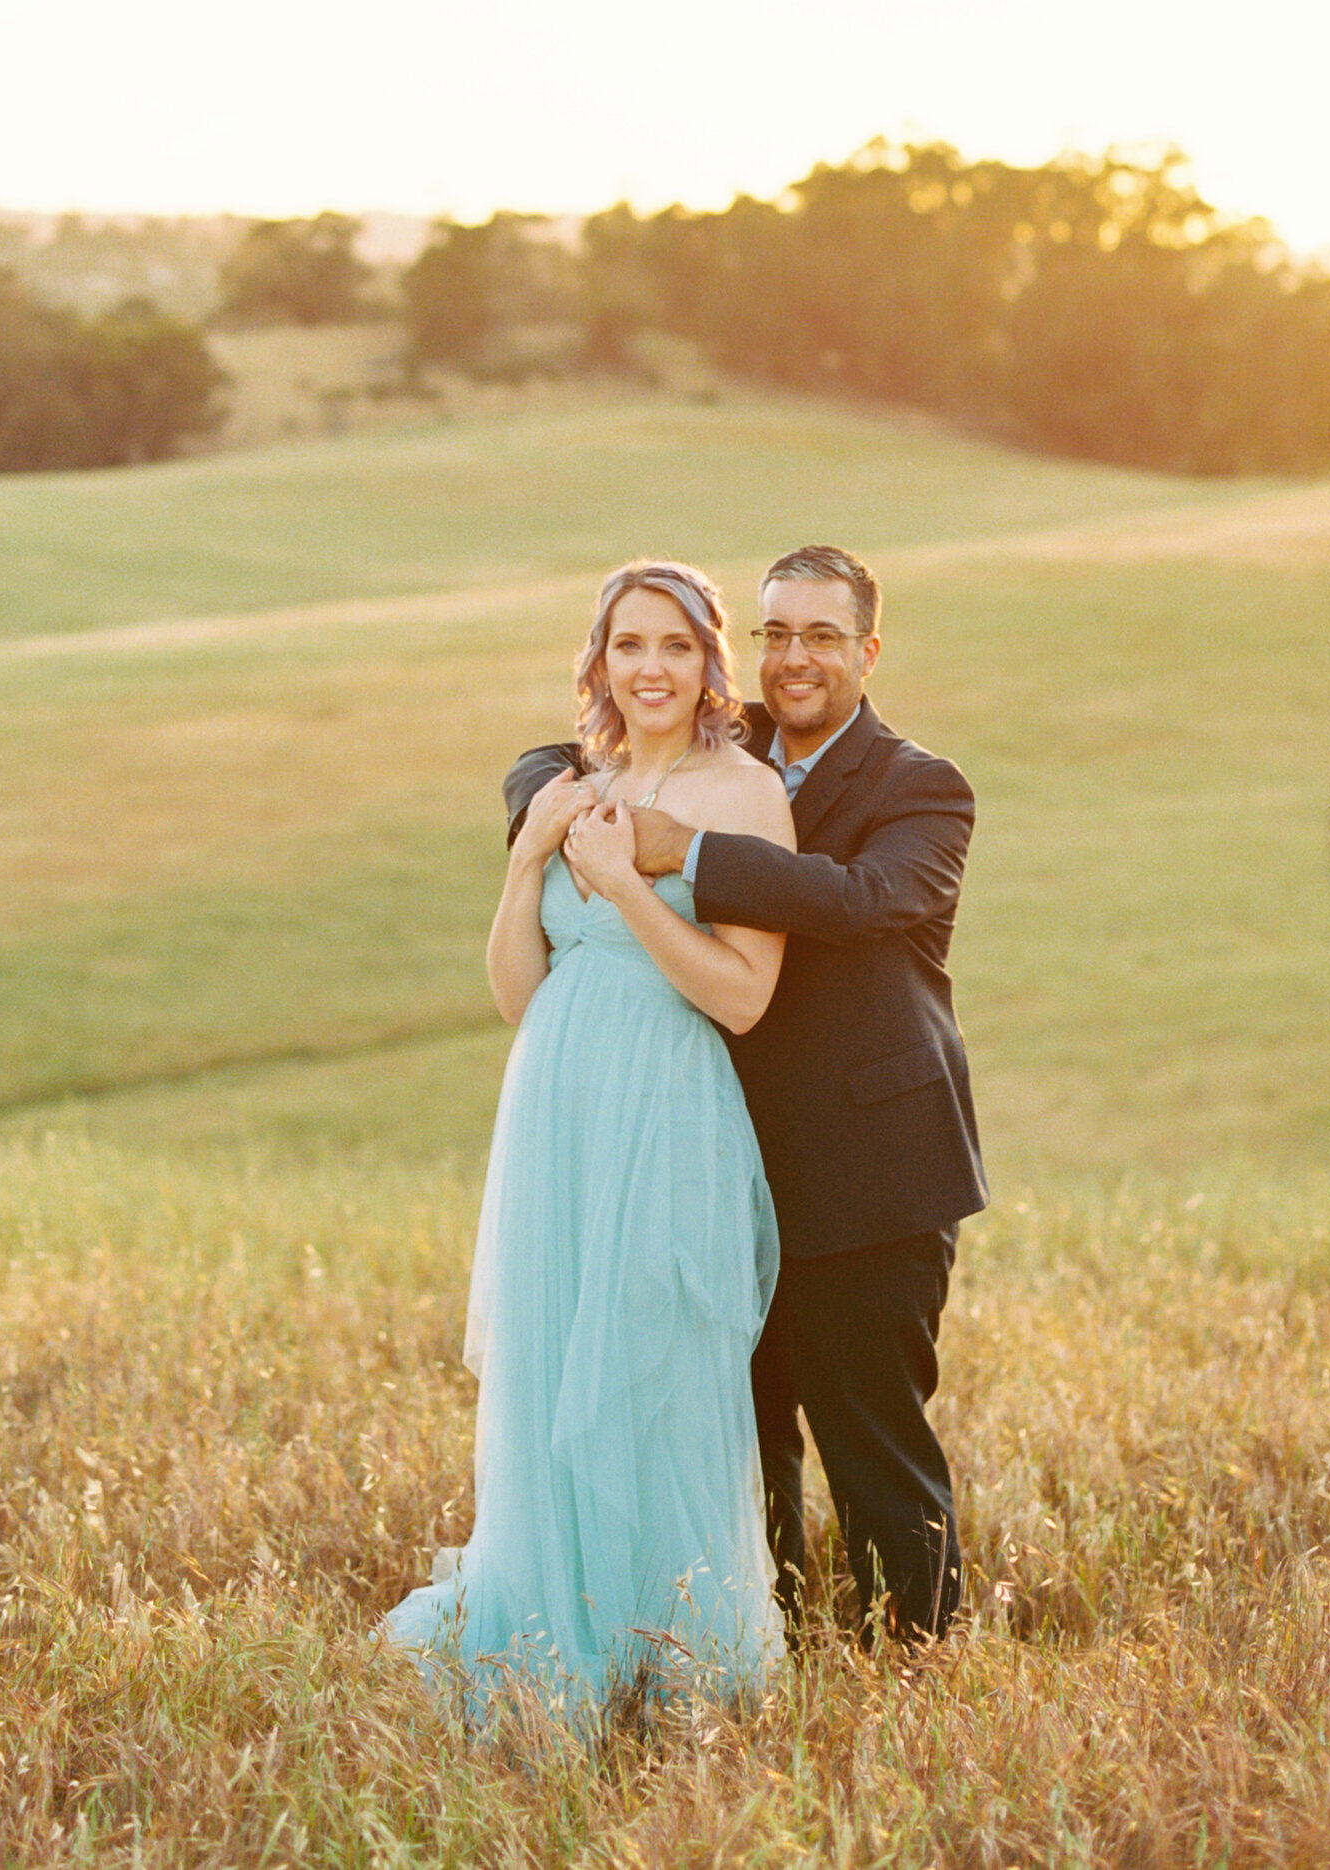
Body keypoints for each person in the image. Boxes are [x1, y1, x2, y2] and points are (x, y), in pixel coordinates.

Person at [504, 542, 984, 1646]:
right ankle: (745, 1648)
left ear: (867, 650)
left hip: (871, 1179)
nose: (795, 656)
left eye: (822, 635)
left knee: (873, 1442)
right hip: (718, 1166)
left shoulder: (922, 786)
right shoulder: (731, 747)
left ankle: (911, 1669)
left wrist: (689, 852)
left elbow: (867, 898)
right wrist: (558, 806)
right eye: (775, 632)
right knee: (729, 1434)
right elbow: (550, 755)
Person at [386, 559, 797, 1723]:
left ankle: (666, 1653)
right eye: (628, 646)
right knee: (550, 1357)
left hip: (664, 1105)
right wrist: (529, 864)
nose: (650, 668)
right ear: (599, 661)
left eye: (673, 645)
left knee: (655, 1365)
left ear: (710, 661)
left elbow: (741, 995)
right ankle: (549, 1633)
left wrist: (622, 886)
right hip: (554, 1102)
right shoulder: (577, 782)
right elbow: (520, 992)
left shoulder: (744, 795)